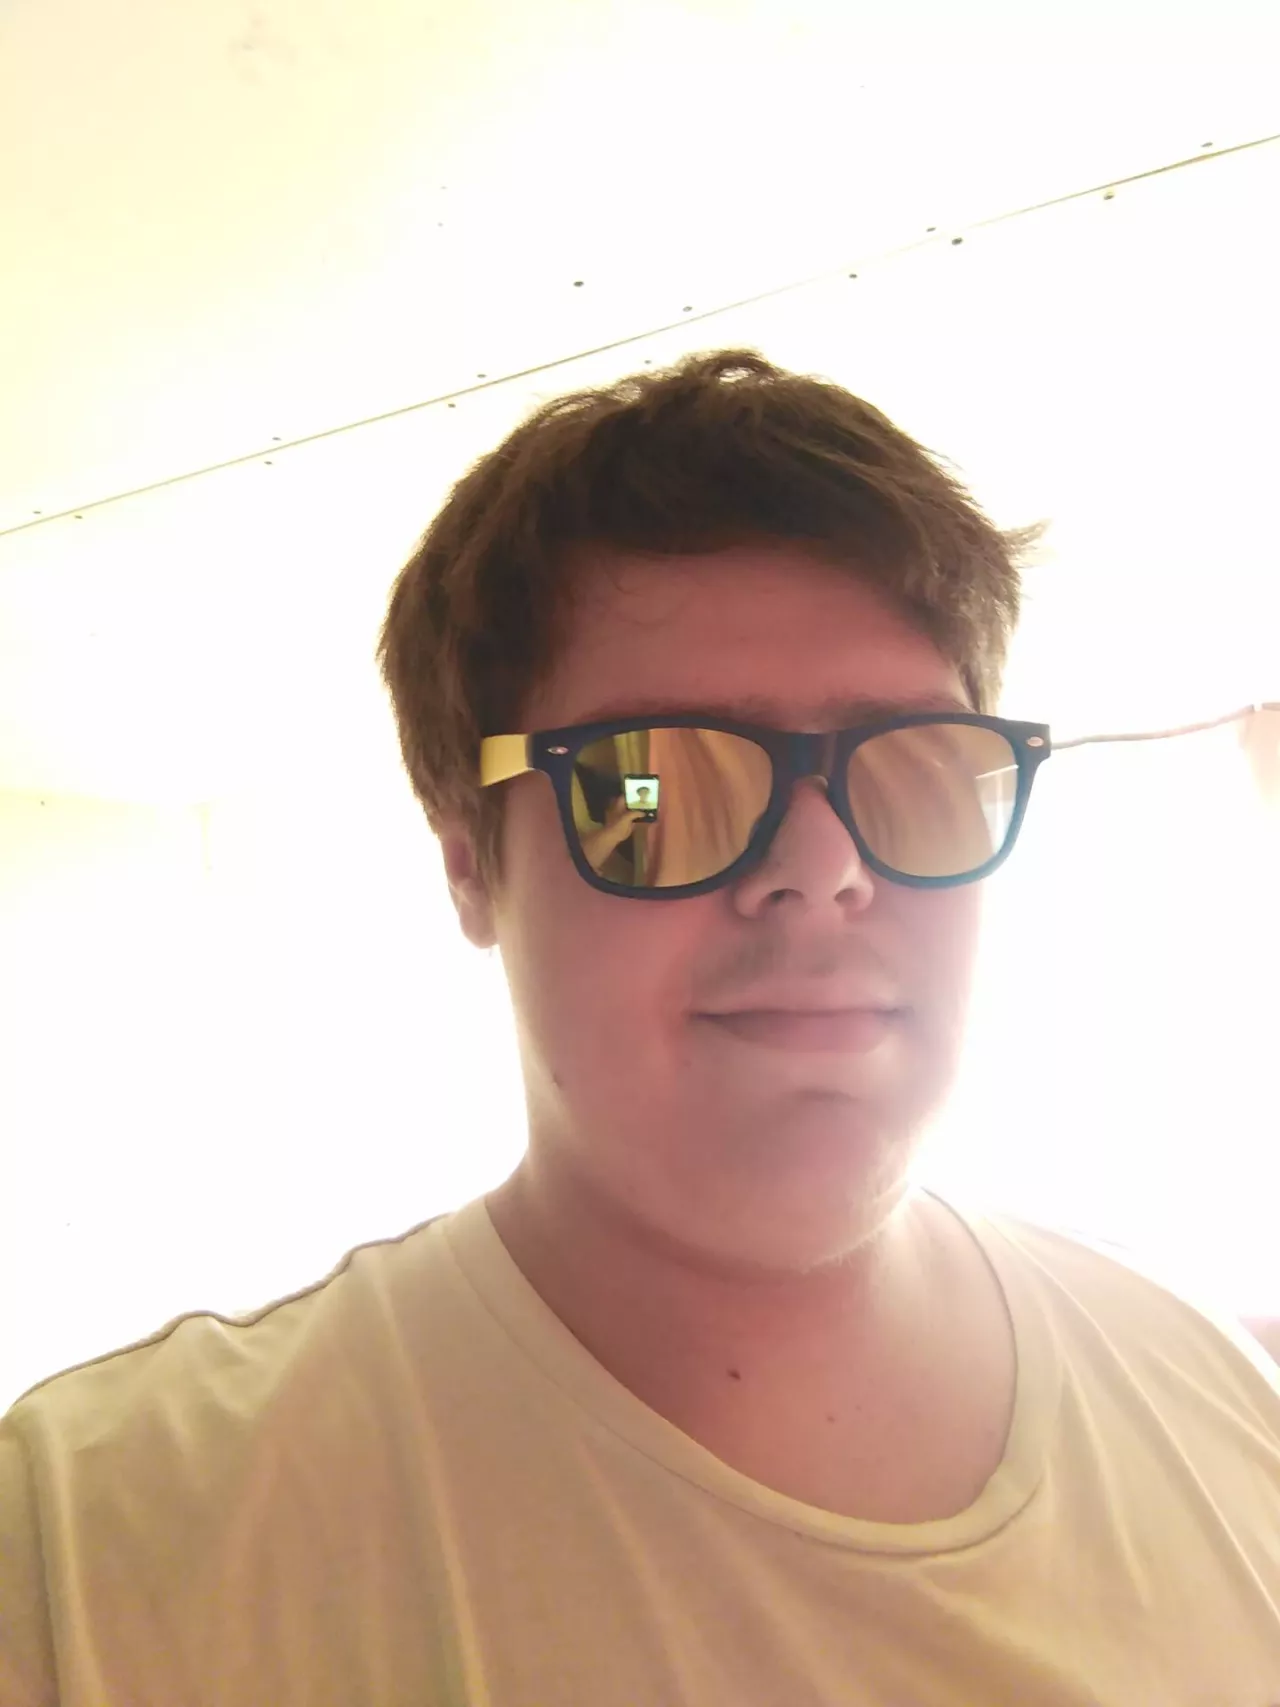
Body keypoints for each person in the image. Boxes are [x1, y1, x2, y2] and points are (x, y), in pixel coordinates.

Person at [3, 350, 1279, 1705]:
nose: (825, 865)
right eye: (652, 786)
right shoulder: (95, 1549)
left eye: (913, 767)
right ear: (469, 862)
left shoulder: (1213, 1394)